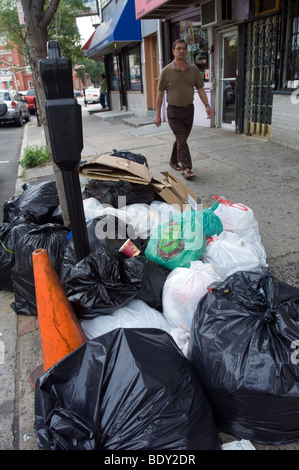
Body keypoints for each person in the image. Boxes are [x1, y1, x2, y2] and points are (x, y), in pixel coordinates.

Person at [154, 38, 213, 179]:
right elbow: (160, 94)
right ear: (173, 51)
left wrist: (207, 106)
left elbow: (200, 89)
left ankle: (173, 160)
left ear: (186, 51)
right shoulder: (166, 71)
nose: (181, 51)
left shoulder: (193, 69)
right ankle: (187, 168)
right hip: (173, 111)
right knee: (181, 138)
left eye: (184, 48)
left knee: (182, 139)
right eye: (178, 48)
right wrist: (157, 115)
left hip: (189, 110)